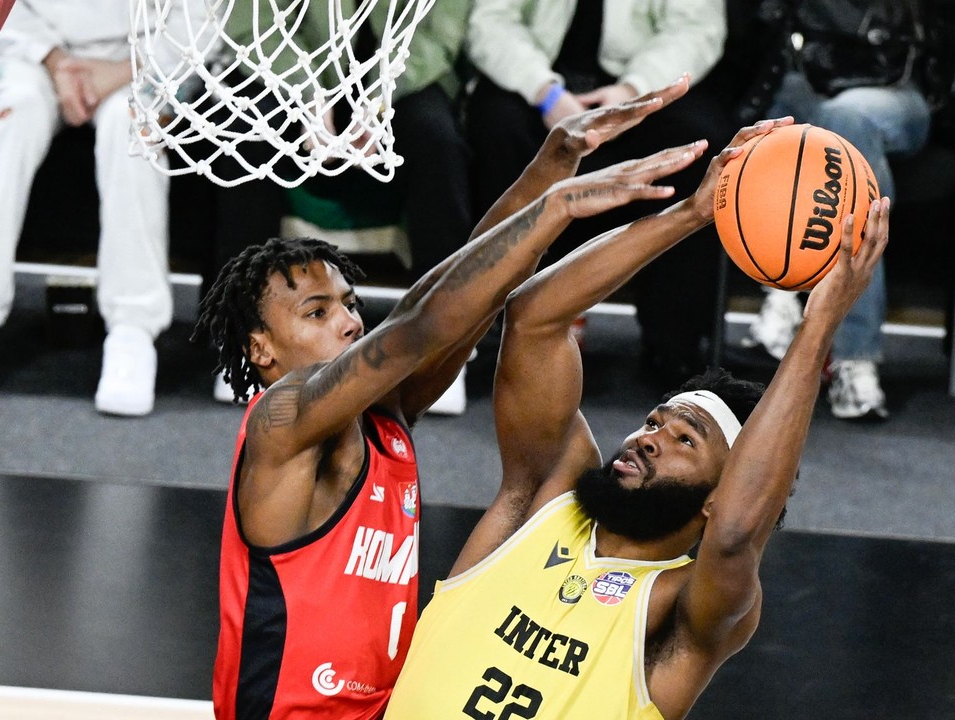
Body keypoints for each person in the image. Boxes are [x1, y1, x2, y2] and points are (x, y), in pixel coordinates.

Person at [196, 78, 708, 719]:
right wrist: (553, 210)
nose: (349, 322)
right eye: (316, 311)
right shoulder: (281, 421)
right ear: (262, 349)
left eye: (351, 305)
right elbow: (418, 324)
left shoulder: (382, 416)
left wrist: (550, 166)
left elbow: (467, 292)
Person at [384, 117, 890, 718]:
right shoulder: (542, 501)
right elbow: (535, 319)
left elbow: (733, 535)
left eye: (685, 439)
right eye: (655, 421)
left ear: (716, 495)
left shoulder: (681, 611)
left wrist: (819, 327)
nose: (651, 438)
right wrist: (696, 214)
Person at [207, 0, 476, 407]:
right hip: (289, 72)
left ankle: (442, 344)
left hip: (404, 80)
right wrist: (308, 95)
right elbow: (254, 23)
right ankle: (244, 339)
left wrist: (379, 102)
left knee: (438, 142)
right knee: (248, 140)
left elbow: (437, 36)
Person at [464, 0, 736, 385]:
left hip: (641, 91)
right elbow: (490, 21)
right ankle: (492, 326)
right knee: (495, 125)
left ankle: (674, 345)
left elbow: (697, 28)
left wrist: (635, 92)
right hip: (537, 89)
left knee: (699, 142)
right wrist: (545, 91)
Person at [741, 0, 933, 421]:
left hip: (895, 87)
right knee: (794, 118)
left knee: (844, 120)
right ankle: (846, 350)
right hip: (803, 80)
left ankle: (793, 289)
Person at [0, 0, 187, 416]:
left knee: (129, 126)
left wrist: (117, 73)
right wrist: (55, 61)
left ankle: (132, 331)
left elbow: (202, 19)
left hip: (153, 56)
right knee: (12, 112)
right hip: (37, 53)